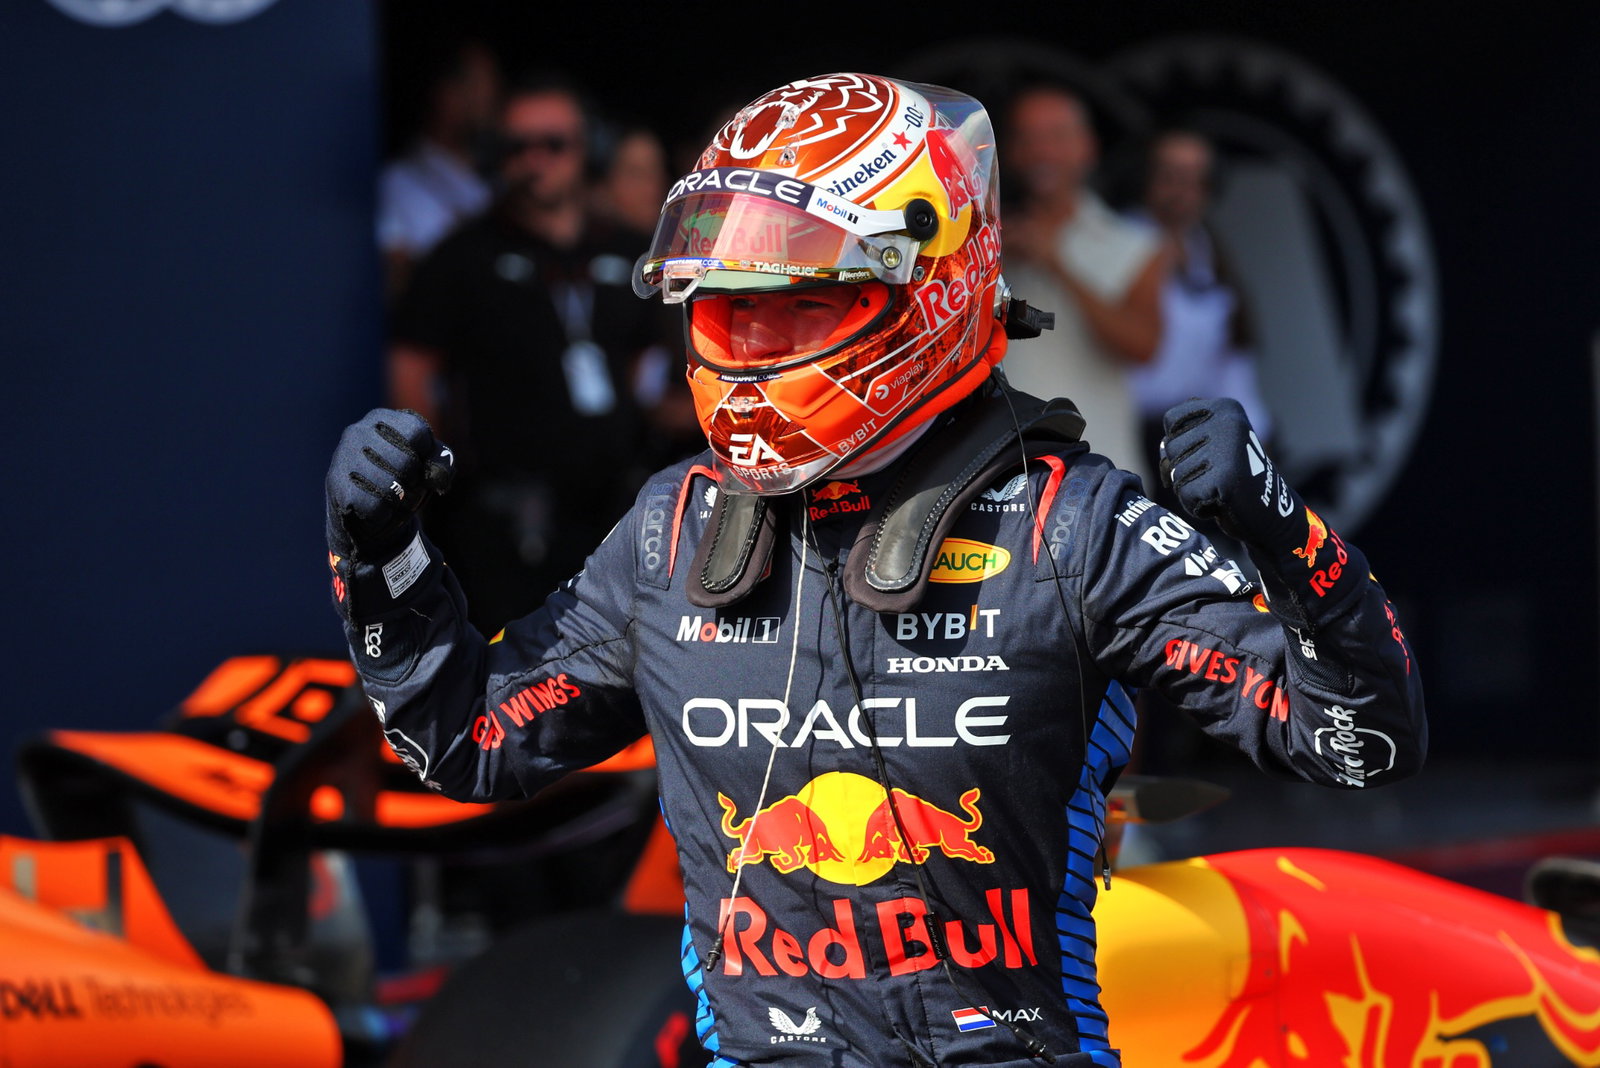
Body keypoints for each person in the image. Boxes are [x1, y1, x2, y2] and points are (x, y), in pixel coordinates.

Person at [325, 72, 1425, 1066]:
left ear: (927, 291)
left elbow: (1359, 744)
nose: (749, 349)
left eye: (798, 303)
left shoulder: (1072, 524)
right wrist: (383, 560)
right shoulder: (671, 531)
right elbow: (470, 745)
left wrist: (1288, 537)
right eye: (723, 310)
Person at [386, 71, 682, 635]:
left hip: (622, 509)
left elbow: (654, 371)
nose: (535, 161)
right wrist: (427, 479)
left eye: (554, 144)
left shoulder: (626, 249)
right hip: (508, 520)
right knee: (520, 676)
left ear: (587, 149)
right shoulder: (461, 258)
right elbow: (412, 368)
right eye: (518, 147)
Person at [1000, 82, 1169, 489]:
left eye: (1056, 136)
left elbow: (1144, 346)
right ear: (1010, 152)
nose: (1042, 152)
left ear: (1086, 147)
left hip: (1099, 466)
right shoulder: (987, 239)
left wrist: (1057, 263)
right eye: (1027, 138)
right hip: (1007, 467)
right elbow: (1032, 325)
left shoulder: (1134, 244)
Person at [1125, 127, 1273, 511]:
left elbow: (1231, 365)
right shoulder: (1116, 239)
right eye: (1169, 176)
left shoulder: (1209, 252)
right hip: (1124, 439)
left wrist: (1253, 438)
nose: (1182, 191)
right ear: (1146, 178)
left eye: (1197, 180)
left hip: (1198, 438)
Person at [376, 38, 502, 299]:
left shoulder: (499, 181)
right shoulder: (395, 184)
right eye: (478, 84)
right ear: (445, 94)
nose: (491, 98)